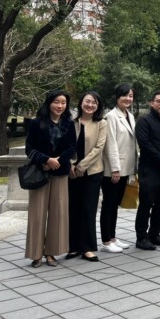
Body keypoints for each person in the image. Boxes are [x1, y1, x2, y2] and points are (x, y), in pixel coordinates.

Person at [25, 90, 76, 267]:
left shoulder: (69, 124)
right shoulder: (36, 123)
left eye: (63, 103)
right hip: (40, 173)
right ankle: (36, 254)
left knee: (58, 213)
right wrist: (45, 160)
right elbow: (29, 148)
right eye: (56, 102)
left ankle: (51, 252)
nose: (60, 106)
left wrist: (58, 161)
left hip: (60, 173)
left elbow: (72, 147)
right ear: (49, 103)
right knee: (37, 214)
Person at [67, 91, 106, 262]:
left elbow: (99, 148)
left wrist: (82, 166)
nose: (90, 105)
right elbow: (65, 145)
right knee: (73, 209)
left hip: (92, 172)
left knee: (88, 209)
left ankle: (88, 248)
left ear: (98, 106)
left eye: (94, 103)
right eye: (87, 101)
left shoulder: (101, 123)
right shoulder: (71, 122)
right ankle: (73, 246)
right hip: (72, 172)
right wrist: (71, 165)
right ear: (81, 102)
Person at [134, 90, 160, 250]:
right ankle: (141, 237)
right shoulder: (144, 120)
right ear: (151, 103)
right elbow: (145, 144)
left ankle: (155, 234)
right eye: (159, 101)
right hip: (150, 169)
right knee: (146, 203)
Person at [100, 83, 138, 253]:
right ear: (117, 97)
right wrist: (115, 169)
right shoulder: (111, 116)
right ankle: (106, 241)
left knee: (115, 204)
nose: (128, 99)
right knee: (109, 203)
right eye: (125, 95)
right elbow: (111, 145)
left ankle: (113, 237)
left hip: (126, 167)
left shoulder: (129, 115)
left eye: (130, 96)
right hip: (114, 170)